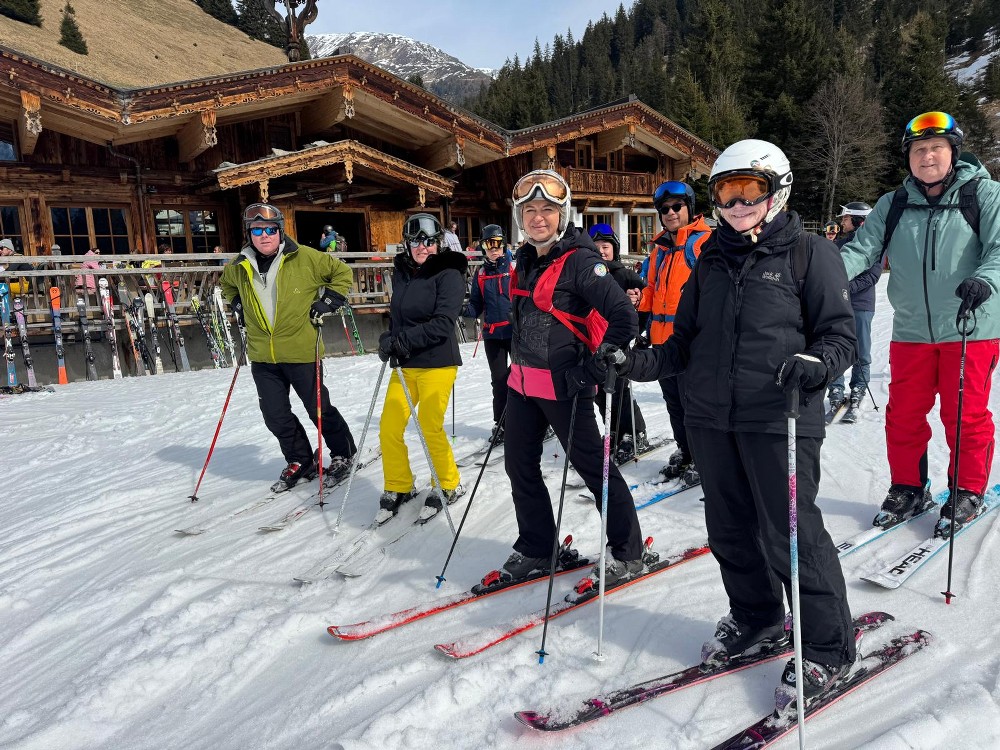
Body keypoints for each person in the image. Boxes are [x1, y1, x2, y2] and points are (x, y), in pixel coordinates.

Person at [593, 140, 858, 700]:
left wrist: (817, 364)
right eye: (726, 193)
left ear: (777, 190)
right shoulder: (711, 259)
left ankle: (828, 646)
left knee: (790, 533)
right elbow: (681, 345)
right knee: (730, 530)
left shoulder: (809, 253)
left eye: (749, 191)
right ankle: (758, 617)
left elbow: (840, 336)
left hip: (779, 415)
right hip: (712, 417)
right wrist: (632, 363)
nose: (737, 204)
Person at [840, 111, 1000, 533]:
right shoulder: (893, 204)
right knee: (904, 415)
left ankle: (967, 490)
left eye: (936, 148)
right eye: (918, 149)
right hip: (911, 330)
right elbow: (862, 249)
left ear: (953, 152)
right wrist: (824, 277)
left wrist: (985, 280)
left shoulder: (984, 194)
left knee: (964, 415)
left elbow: (999, 249)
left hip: (969, 328)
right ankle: (909, 487)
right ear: (908, 157)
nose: (927, 156)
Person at [497, 169, 648, 587]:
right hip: (523, 385)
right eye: (530, 210)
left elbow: (624, 317)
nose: (538, 217)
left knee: (594, 469)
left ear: (562, 215)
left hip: (567, 386)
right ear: (520, 216)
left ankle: (628, 552)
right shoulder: (525, 257)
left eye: (547, 209)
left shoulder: (581, 261)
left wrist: (594, 369)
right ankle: (537, 545)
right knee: (518, 466)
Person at [220, 202, 358, 492]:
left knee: (318, 409)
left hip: (301, 349)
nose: (264, 235)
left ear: (280, 231)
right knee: (275, 415)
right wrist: (237, 304)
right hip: (262, 354)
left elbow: (342, 273)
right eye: (257, 230)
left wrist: (330, 300)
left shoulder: (305, 257)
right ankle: (300, 459)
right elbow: (227, 286)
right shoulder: (239, 265)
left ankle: (344, 453)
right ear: (249, 234)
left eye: (270, 229)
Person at [376, 213, 468, 524]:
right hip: (406, 364)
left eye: (429, 241)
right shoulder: (403, 272)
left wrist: (401, 341)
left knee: (429, 425)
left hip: (438, 362)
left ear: (439, 243)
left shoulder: (449, 273)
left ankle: (448, 483)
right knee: (389, 426)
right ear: (407, 244)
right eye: (415, 241)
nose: (422, 247)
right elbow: (399, 316)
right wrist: (389, 338)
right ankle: (399, 484)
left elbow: (443, 324)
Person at [637, 180, 712, 483]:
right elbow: (652, 290)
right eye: (664, 209)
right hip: (662, 343)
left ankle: (703, 456)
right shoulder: (660, 250)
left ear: (689, 208)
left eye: (677, 206)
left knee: (694, 404)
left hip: (692, 344)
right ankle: (686, 450)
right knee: (674, 403)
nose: (670, 212)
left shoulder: (704, 243)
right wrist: (638, 305)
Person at [588, 222, 650, 463]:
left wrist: (638, 328)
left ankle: (634, 432)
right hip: (594, 340)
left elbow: (646, 302)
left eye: (606, 246)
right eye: (596, 247)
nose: (601, 251)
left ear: (614, 248)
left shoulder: (624, 275)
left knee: (619, 388)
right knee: (600, 392)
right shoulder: (587, 274)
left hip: (618, 340)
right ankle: (613, 429)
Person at [827, 202, 880, 420]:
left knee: (861, 349)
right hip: (839, 304)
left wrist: (844, 288)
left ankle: (858, 388)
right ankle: (836, 388)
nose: (842, 222)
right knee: (835, 346)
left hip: (861, 304)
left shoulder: (874, 243)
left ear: (859, 221)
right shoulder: (839, 244)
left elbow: (872, 276)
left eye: (846, 219)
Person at [462, 223, 513, 443]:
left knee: (523, 377)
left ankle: (538, 421)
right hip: (493, 334)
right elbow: (476, 304)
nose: (494, 249)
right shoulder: (481, 273)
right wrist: (460, 310)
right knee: (499, 381)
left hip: (515, 332)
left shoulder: (514, 268)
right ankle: (501, 423)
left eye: (497, 244)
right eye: (488, 245)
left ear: (504, 244)